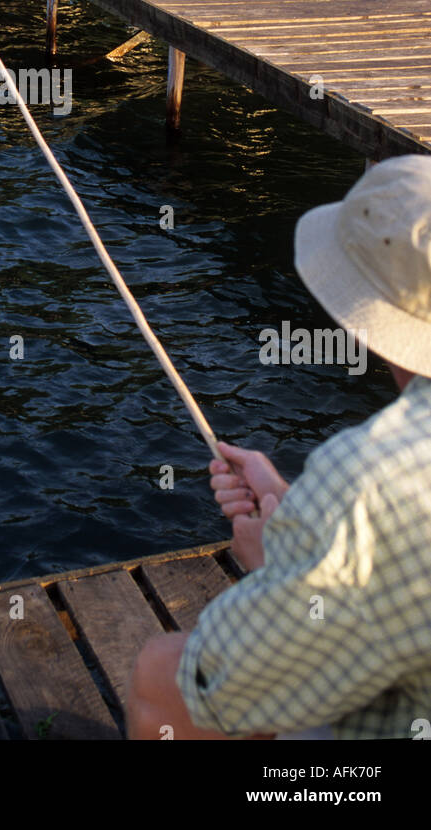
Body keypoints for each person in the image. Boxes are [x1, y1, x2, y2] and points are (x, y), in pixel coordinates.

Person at [127, 154, 431, 740]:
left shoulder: (368, 476)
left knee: (162, 673)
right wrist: (302, 515)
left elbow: (221, 679)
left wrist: (275, 562)